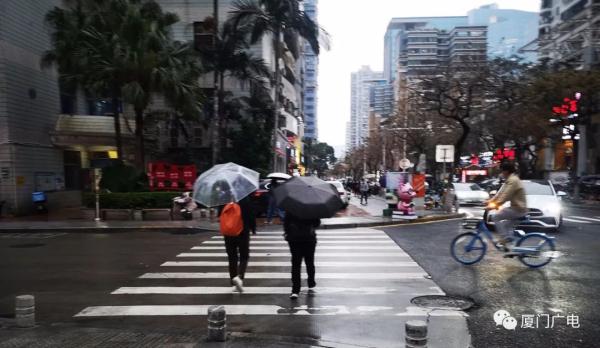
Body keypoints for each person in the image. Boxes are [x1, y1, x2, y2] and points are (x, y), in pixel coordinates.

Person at [488, 162, 527, 249]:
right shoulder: (510, 180)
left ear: (506, 171)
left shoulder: (513, 181)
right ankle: (509, 247)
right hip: (517, 208)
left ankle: (504, 239)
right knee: (505, 226)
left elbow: (506, 195)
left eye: (502, 171)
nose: (501, 173)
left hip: (518, 209)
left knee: (495, 217)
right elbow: (500, 193)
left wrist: (495, 205)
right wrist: (489, 201)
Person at [223, 195, 256, 293]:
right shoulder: (245, 198)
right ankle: (240, 277)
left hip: (228, 232)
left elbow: (221, 215)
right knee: (244, 256)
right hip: (242, 231)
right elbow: (251, 214)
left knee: (232, 257)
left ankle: (233, 280)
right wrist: (253, 228)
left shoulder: (225, 198)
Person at [284, 213, 320, 299]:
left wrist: (288, 233)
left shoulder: (291, 209)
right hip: (309, 239)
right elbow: (316, 224)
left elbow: (286, 224)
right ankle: (311, 281)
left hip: (294, 240)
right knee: (309, 262)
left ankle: (295, 290)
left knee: (296, 264)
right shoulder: (311, 210)